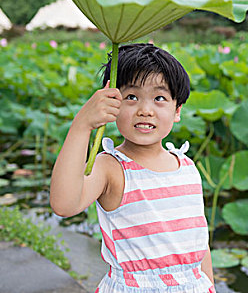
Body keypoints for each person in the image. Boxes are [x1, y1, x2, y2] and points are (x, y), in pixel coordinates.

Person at [50, 43, 215, 292]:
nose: (145, 110)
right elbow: (63, 204)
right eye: (131, 97)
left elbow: (200, 246)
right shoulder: (111, 168)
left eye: (159, 98)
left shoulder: (187, 167)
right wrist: (82, 125)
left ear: (177, 109)